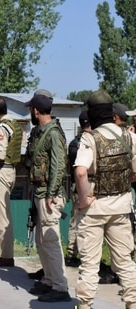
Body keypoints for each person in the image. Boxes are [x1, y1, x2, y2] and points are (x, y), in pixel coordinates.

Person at [73, 90, 136, 309]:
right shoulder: (129, 136)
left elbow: (81, 172)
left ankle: (85, 305)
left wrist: (82, 200)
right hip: (121, 207)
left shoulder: (90, 138)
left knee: (90, 265)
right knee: (125, 262)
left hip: (94, 209)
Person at [25, 93, 70, 302]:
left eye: (30, 110)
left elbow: (59, 165)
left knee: (51, 241)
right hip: (41, 193)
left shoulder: (52, 133)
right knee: (42, 241)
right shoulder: (40, 131)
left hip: (49, 196)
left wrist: (51, 194)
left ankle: (60, 287)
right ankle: (50, 281)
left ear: (36, 111)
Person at [0, 96, 22, 267]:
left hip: (1, 171)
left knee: (0, 215)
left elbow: (0, 155)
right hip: (10, 170)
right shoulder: (14, 124)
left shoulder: (2, 127)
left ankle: (6, 256)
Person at [64, 111, 90, 268]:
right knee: (79, 221)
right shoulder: (87, 141)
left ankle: (71, 252)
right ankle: (73, 253)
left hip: (75, 185)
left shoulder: (74, 142)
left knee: (75, 220)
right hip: (84, 185)